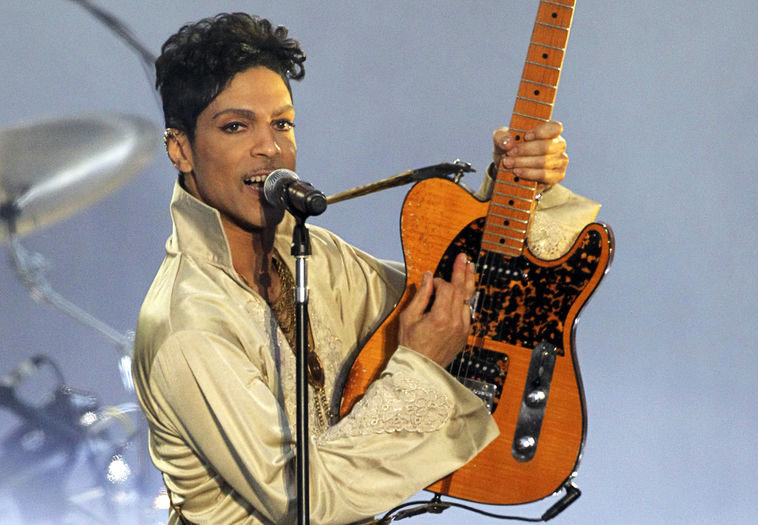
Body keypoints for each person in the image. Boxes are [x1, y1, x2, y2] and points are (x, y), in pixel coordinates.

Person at [132, 12, 598, 525]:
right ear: (180, 149)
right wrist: (421, 365)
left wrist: (519, 185)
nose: (271, 146)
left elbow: (461, 301)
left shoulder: (313, 252)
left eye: (282, 123)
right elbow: (304, 502)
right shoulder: (188, 325)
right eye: (236, 126)